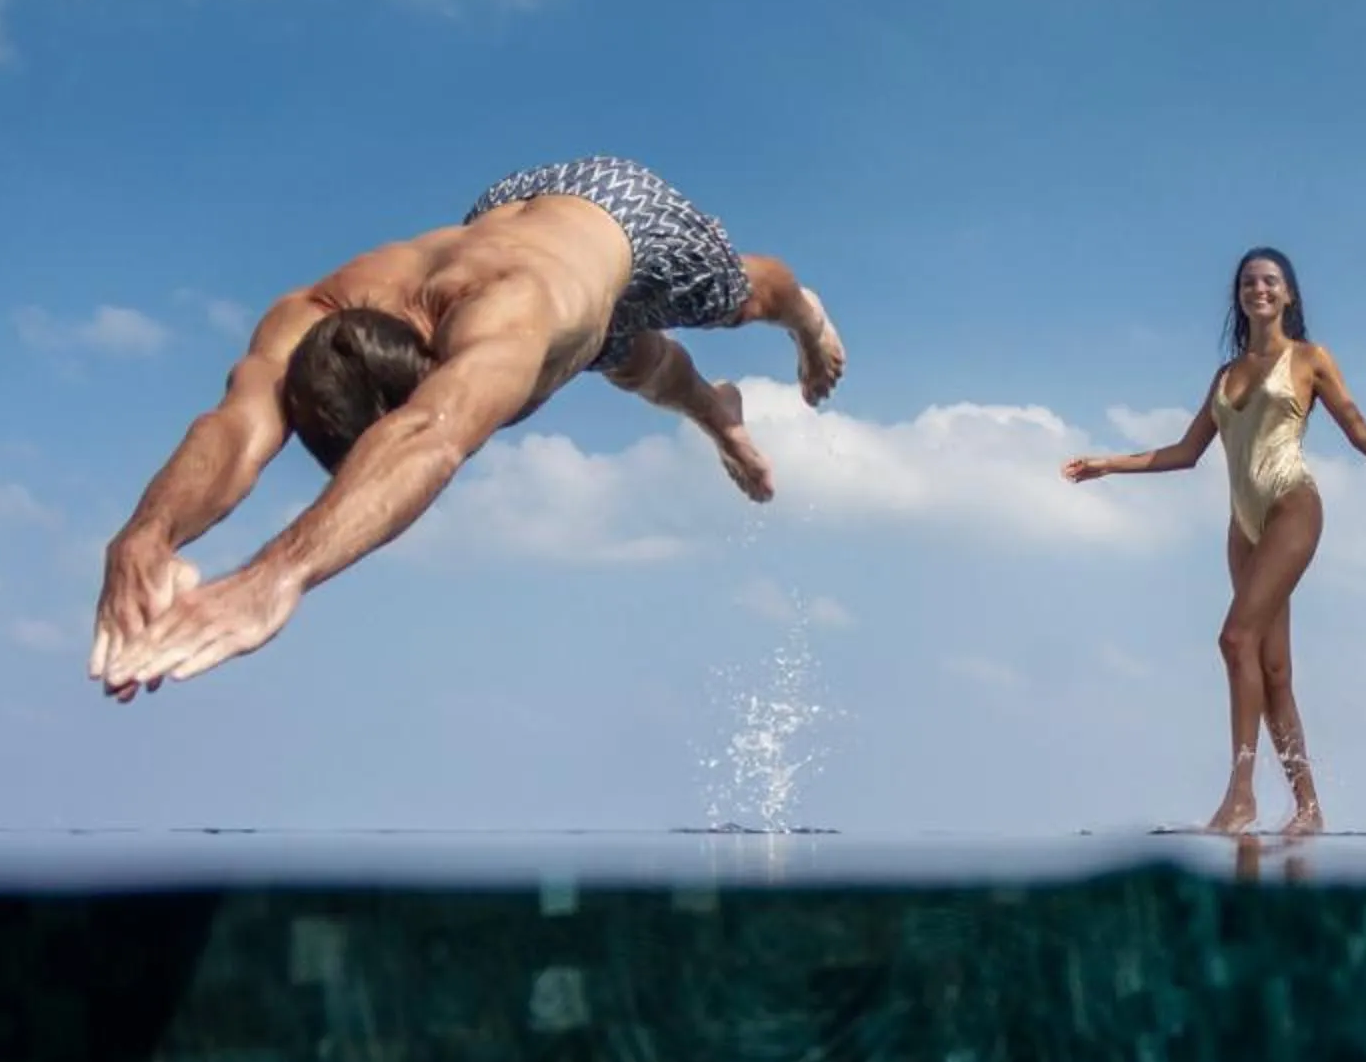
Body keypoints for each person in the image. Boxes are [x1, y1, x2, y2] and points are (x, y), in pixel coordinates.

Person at [88, 156, 846, 699]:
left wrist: (273, 577)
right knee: (613, 352)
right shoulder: (311, 313)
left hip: (620, 212)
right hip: (506, 211)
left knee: (743, 292)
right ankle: (721, 417)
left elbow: (428, 436)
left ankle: (804, 317)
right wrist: (145, 537)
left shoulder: (504, 316)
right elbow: (233, 428)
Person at [1060, 247, 1366, 837]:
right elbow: (1184, 452)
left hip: (1291, 507)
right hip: (1243, 526)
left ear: (1289, 295)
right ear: (1240, 295)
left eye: (1270, 281)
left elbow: (1360, 431)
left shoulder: (1309, 358)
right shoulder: (1224, 376)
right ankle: (1308, 809)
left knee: (1234, 638)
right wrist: (1109, 464)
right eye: (1249, 281)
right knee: (1272, 668)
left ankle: (1241, 796)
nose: (1259, 288)